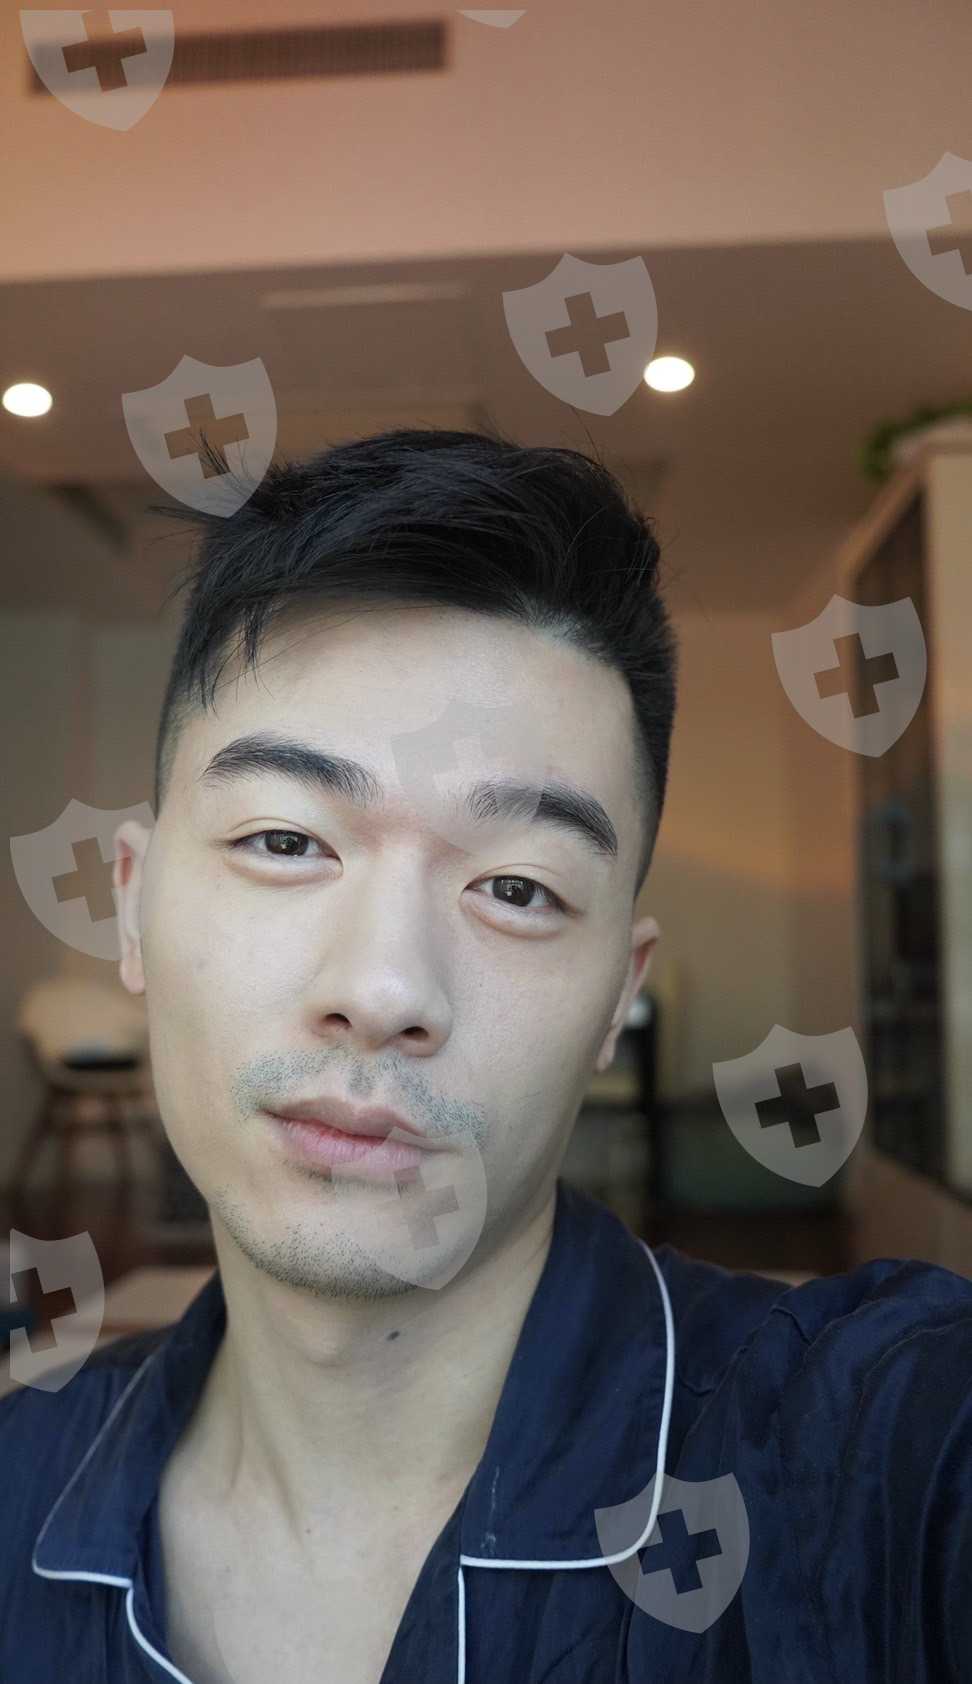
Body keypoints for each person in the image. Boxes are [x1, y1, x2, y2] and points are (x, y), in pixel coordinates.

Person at [2, 427, 970, 1684]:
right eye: (286, 841)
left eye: (517, 888)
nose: (383, 989)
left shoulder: (859, 1456)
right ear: (133, 907)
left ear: (619, 993)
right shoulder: (20, 1478)